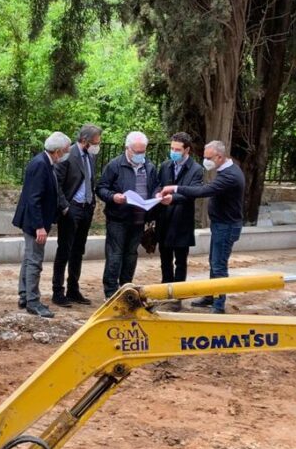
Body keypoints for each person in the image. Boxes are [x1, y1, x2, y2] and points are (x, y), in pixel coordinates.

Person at [159, 140, 245, 314]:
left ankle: (218, 305)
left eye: (208, 158)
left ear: (219, 157)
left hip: (226, 226)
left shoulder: (230, 175)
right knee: (214, 263)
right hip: (221, 224)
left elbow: (202, 191)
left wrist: (174, 188)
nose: (205, 161)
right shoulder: (226, 169)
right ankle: (211, 296)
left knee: (219, 265)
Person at [13, 131, 72, 318]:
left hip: (34, 219)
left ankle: (24, 295)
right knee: (34, 261)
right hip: (34, 221)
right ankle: (33, 301)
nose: (65, 154)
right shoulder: (41, 164)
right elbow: (34, 198)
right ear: (57, 151)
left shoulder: (45, 162)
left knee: (29, 258)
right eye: (65, 151)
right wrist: (39, 226)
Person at [96, 131, 159, 299]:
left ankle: (126, 288)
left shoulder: (149, 167)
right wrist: (113, 197)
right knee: (115, 254)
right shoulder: (115, 165)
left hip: (139, 219)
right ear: (127, 149)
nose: (140, 155)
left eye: (143, 151)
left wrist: (156, 196)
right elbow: (101, 188)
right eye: (137, 152)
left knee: (131, 255)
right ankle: (110, 291)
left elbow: (155, 186)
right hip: (118, 217)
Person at [51, 124, 102, 307]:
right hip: (71, 209)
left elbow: (90, 180)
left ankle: (73, 289)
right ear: (85, 141)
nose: (98, 145)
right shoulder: (68, 155)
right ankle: (58, 291)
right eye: (96, 142)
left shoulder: (91, 156)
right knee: (64, 250)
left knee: (78, 251)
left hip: (86, 208)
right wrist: (65, 207)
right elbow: (56, 184)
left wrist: (92, 203)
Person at [154, 132, 204, 309]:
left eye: (177, 149)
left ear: (187, 150)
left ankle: (178, 296)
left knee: (180, 261)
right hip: (164, 219)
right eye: (172, 148)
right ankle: (164, 291)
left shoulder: (196, 169)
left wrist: (173, 198)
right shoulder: (166, 165)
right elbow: (159, 186)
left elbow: (193, 193)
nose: (173, 152)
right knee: (164, 259)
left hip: (182, 221)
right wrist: (157, 195)